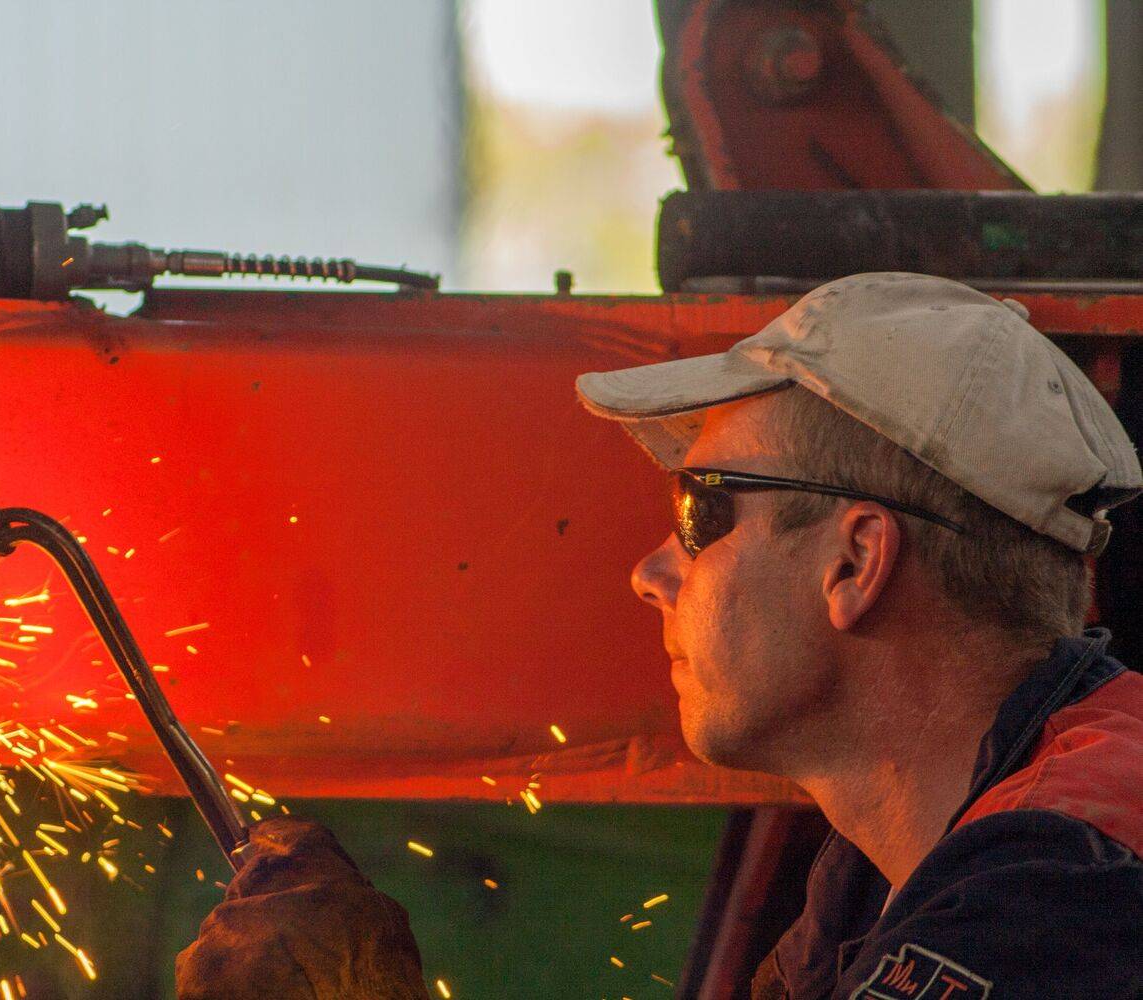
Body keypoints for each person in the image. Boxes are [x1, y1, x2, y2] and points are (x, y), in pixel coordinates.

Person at [176, 273, 1143, 998]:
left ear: (854, 562)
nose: (651, 572)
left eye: (700, 512)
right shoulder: (876, 879)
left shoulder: (1058, 901)